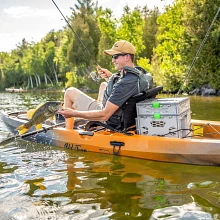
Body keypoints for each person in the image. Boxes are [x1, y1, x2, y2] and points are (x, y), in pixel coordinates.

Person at [58, 40, 153, 130]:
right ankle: (90, 114)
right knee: (104, 84)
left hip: (109, 117)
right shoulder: (139, 74)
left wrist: (73, 113)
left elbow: (105, 114)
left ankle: (68, 130)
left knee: (69, 92)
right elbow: (124, 88)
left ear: (127, 57)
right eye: (112, 57)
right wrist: (110, 77)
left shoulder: (124, 83)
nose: (113, 60)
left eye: (115, 56)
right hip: (122, 114)